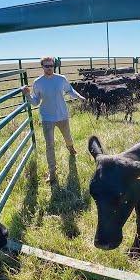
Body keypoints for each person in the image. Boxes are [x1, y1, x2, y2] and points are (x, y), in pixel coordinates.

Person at [22, 56, 85, 184]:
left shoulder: (61, 79)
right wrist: (27, 94)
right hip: (47, 118)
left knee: (68, 136)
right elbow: (35, 102)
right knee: (49, 145)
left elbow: (69, 90)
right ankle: (52, 172)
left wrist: (78, 96)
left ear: (54, 66)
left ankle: (71, 148)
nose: (49, 68)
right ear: (42, 67)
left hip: (62, 115)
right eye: (46, 66)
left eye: (51, 65)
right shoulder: (38, 82)